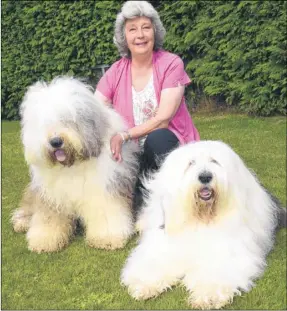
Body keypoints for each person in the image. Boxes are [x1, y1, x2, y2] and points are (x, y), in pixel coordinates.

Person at [95, 0, 200, 209]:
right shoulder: (115, 71)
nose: (140, 35)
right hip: (131, 153)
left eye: (146, 27)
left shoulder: (171, 63)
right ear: (124, 37)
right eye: (132, 29)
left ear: (155, 32)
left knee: (157, 138)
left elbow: (163, 119)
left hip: (167, 147)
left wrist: (123, 135)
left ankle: (172, 195)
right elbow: (94, 109)